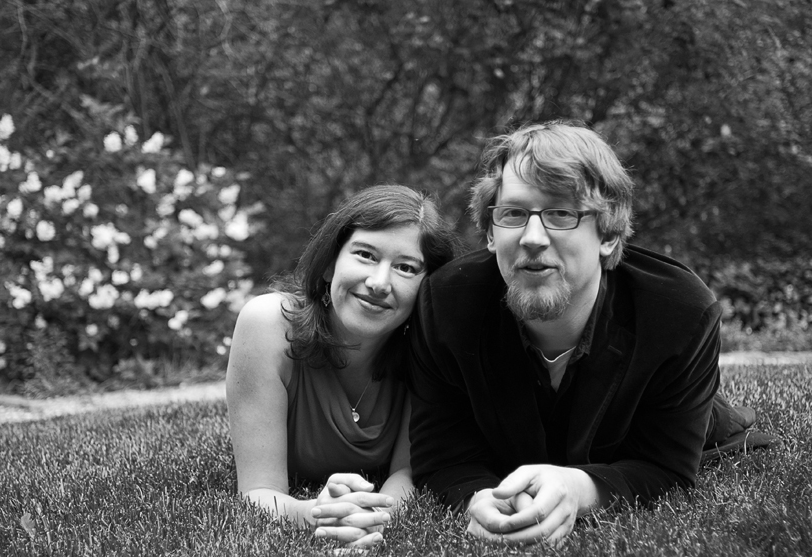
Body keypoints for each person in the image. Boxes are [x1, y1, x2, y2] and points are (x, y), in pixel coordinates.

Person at [406, 120, 777, 546]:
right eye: (513, 213)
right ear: (490, 233)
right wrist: (478, 497)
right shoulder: (445, 305)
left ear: (607, 233)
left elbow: (667, 468)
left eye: (561, 213)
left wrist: (581, 491)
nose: (531, 238)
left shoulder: (678, 314)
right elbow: (442, 458)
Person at [226, 184, 459, 548]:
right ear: (330, 263)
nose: (379, 282)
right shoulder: (268, 325)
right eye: (365, 255)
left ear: (427, 286)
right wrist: (318, 513)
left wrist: (373, 516)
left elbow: (405, 472)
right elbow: (258, 492)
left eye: (405, 267)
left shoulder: (429, 347)